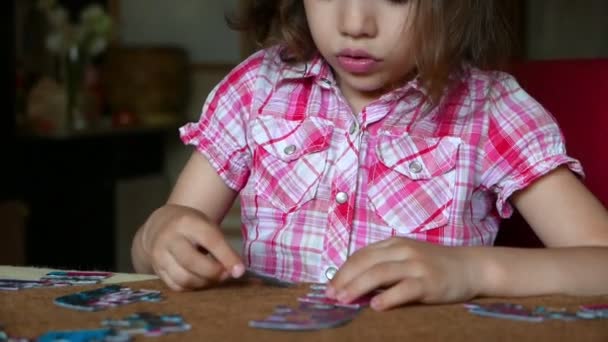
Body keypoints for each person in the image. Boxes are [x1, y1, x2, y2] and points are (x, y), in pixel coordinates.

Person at [131, 0, 608, 311]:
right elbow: (164, 242)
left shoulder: (490, 111)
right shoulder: (257, 88)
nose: (355, 23)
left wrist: (473, 270)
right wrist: (158, 236)